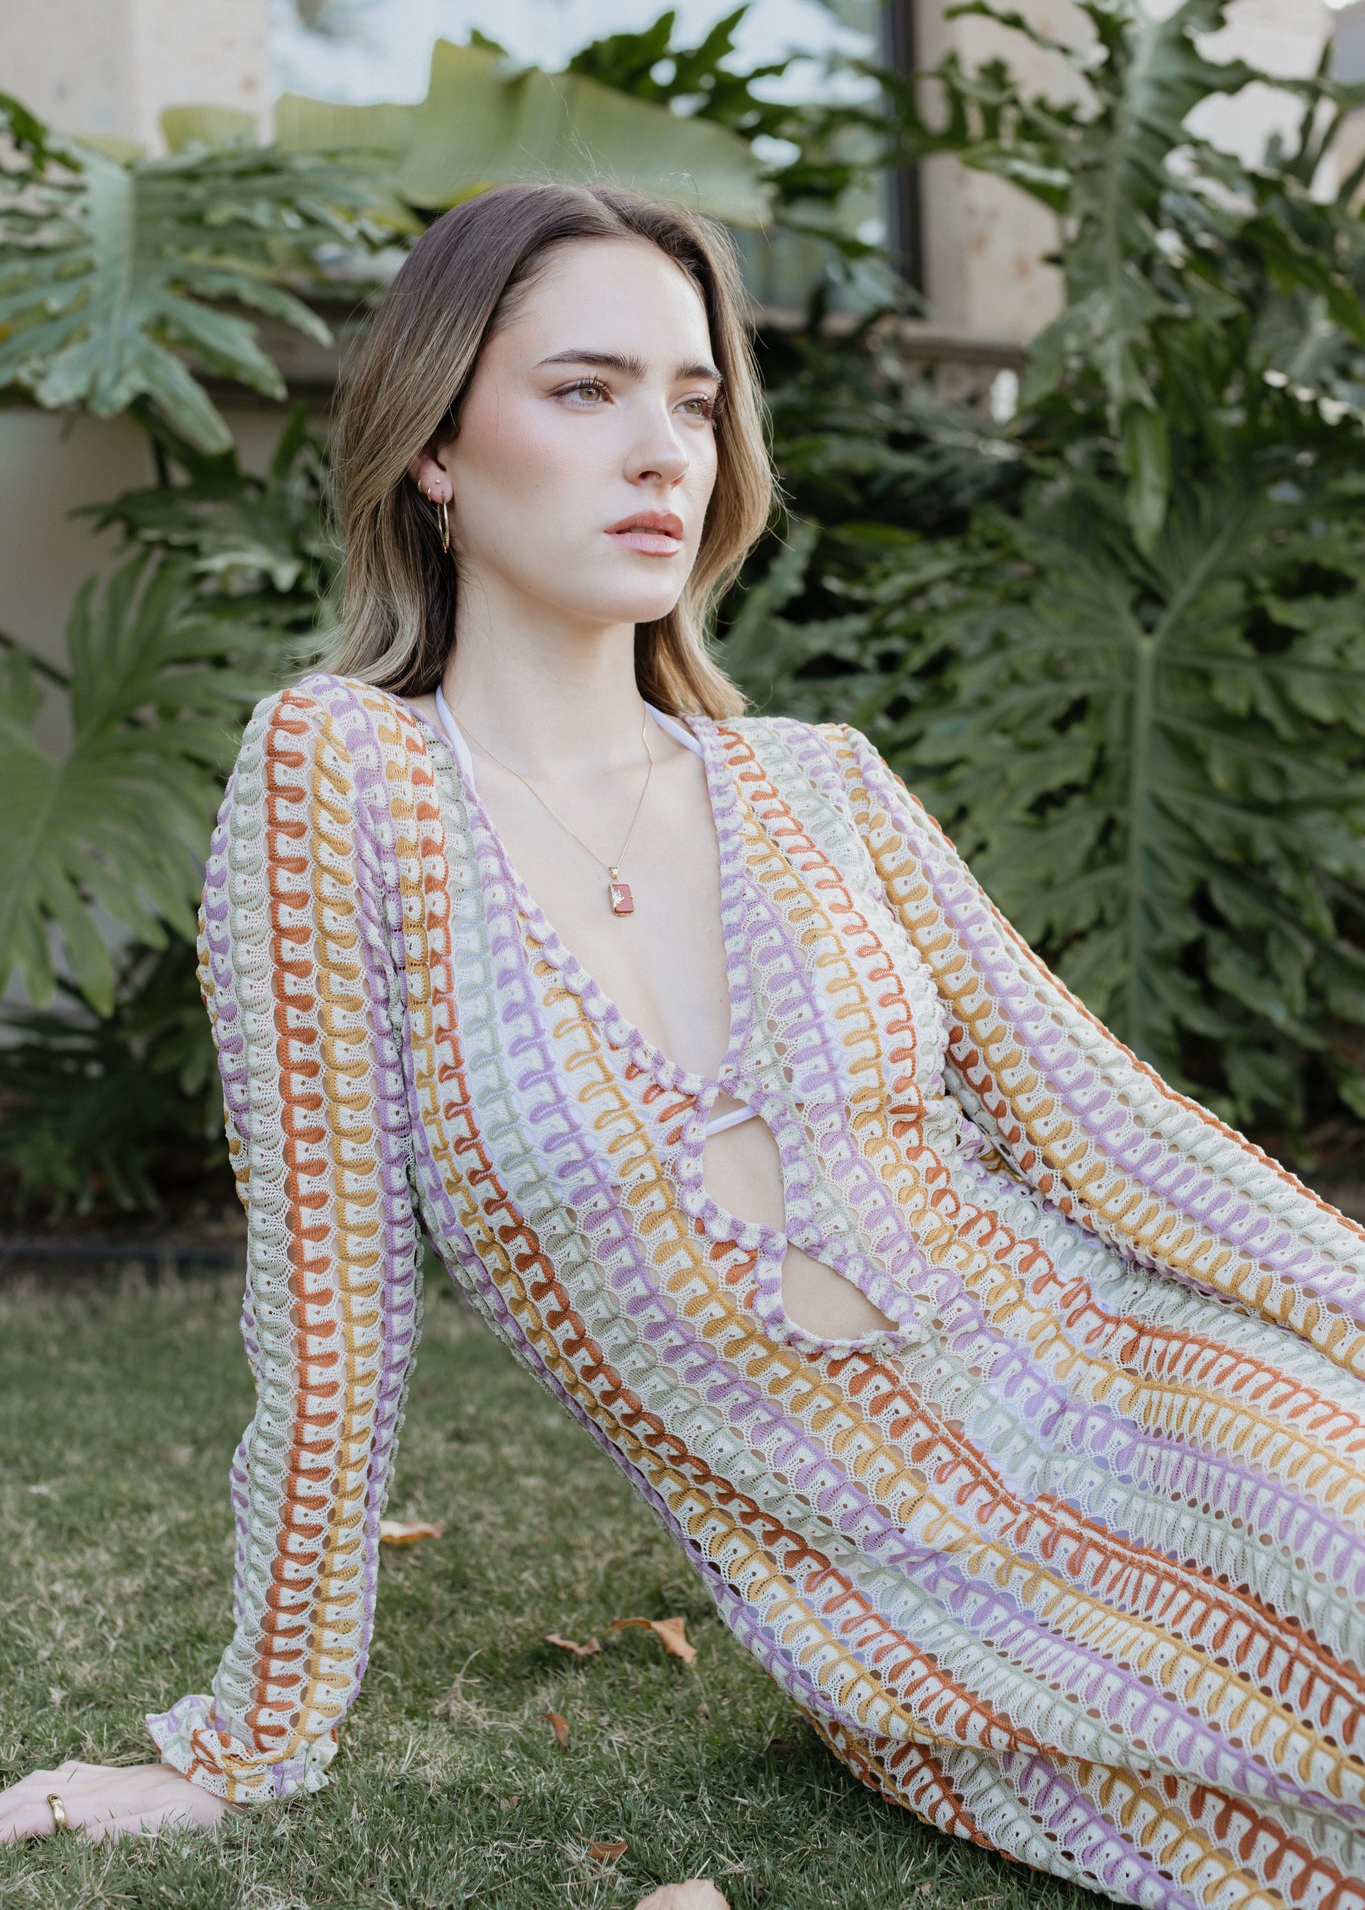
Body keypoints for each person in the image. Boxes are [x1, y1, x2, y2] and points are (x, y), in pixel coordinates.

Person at [5, 183, 1365, 1910]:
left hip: (1165, 1398)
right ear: (434, 446)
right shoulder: (341, 777)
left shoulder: (817, 782)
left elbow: (1111, 1141)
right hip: (900, 1597)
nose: (664, 451)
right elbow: (328, 1318)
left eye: (696, 400)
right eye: (584, 390)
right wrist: (243, 1746)